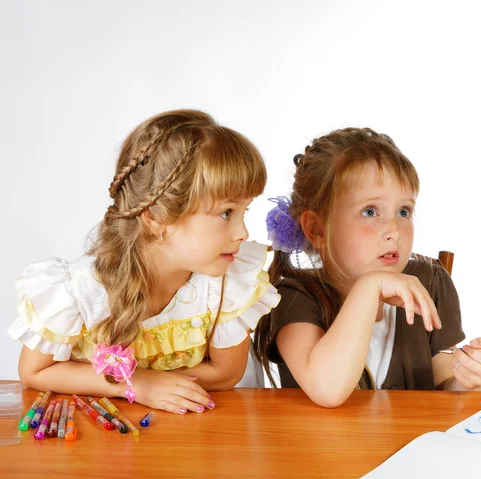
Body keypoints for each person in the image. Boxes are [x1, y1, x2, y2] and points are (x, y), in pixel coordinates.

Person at [9, 109, 280, 414]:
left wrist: (152, 384)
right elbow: (35, 372)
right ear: (155, 217)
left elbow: (227, 373)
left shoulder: (226, 282)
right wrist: (137, 384)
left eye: (245, 212)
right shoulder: (80, 292)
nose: (243, 233)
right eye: (226, 213)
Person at [254, 127, 481, 408]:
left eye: (404, 211)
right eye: (370, 211)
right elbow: (328, 389)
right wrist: (370, 287)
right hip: (326, 451)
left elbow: (444, 392)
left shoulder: (430, 282)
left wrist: (471, 381)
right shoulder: (293, 298)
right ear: (317, 229)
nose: (394, 230)